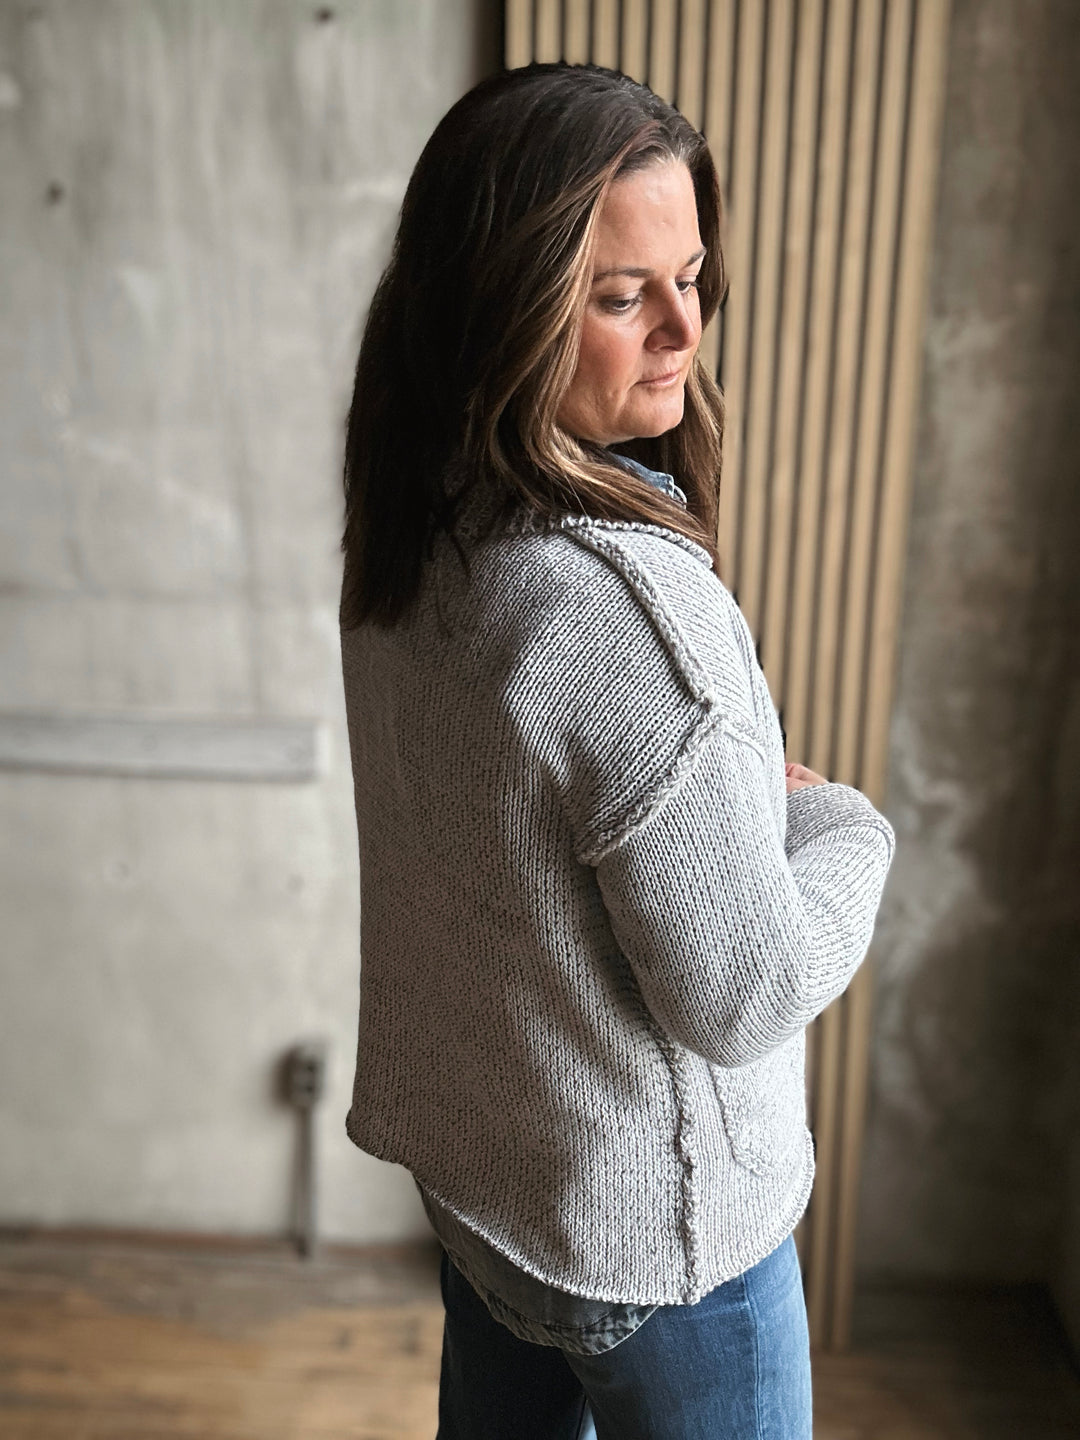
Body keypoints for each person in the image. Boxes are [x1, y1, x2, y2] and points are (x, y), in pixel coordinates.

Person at [338, 62, 895, 1440]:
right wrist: (848, 828)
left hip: (493, 1193)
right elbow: (746, 991)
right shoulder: (629, 618)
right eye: (620, 293)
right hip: (666, 1247)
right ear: (503, 311)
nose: (685, 329)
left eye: (693, 276)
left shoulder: (415, 534)